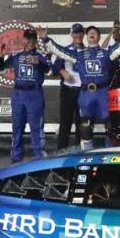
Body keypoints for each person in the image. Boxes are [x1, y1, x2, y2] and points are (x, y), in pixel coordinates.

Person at [37, 24, 120, 149]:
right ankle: (86, 154)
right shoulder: (79, 55)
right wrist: (46, 39)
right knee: (85, 128)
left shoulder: (106, 53)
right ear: (87, 37)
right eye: (90, 33)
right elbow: (59, 50)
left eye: (95, 33)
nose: (92, 34)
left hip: (102, 93)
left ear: (99, 37)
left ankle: (111, 152)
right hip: (86, 94)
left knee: (110, 126)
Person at [0, 29, 51, 162]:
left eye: (33, 39)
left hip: (35, 93)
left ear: (36, 41)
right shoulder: (16, 56)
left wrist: (38, 62)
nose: (31, 42)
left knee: (36, 127)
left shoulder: (41, 55)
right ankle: (15, 157)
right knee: (17, 126)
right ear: (24, 40)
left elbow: (50, 71)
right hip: (19, 94)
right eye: (28, 39)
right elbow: (2, 70)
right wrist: (1, 57)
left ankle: (40, 157)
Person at [53, 23, 85, 151]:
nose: (78, 35)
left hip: (82, 91)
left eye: (80, 33)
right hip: (67, 91)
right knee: (65, 123)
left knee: (80, 125)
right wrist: (62, 72)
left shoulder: (87, 52)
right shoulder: (65, 50)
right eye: (75, 33)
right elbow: (54, 67)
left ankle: (79, 152)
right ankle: (61, 152)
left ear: (83, 35)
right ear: (71, 35)